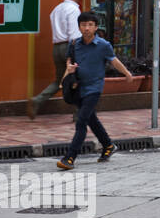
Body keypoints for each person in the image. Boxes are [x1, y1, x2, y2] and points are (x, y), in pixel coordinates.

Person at [57, 11, 134, 170]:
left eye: (90, 25)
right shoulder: (74, 44)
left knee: (81, 121)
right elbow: (69, 65)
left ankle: (70, 157)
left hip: (94, 88)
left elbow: (114, 61)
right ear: (79, 27)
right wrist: (64, 78)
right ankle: (108, 146)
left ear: (96, 27)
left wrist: (126, 73)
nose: (86, 28)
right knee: (91, 120)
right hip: (79, 88)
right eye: (83, 25)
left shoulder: (103, 46)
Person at [28, 0, 82, 119]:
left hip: (56, 48)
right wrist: (75, 52)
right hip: (69, 47)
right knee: (78, 78)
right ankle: (78, 112)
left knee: (59, 80)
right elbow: (74, 34)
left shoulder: (56, 9)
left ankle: (38, 100)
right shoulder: (74, 10)